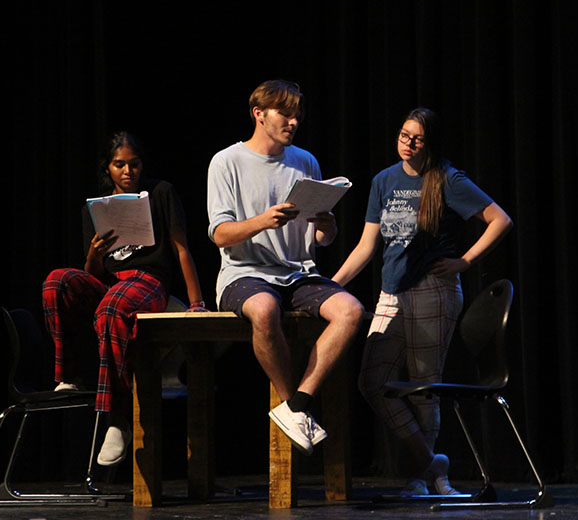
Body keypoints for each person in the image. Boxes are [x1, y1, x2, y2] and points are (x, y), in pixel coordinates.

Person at [331, 108, 513, 496]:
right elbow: (367, 246)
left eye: (416, 138)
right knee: (372, 382)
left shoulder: (447, 179)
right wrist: (331, 286)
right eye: (403, 135)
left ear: (430, 143)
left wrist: (465, 260)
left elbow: (500, 219)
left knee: (424, 386)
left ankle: (424, 479)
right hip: (391, 292)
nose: (407, 143)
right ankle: (432, 465)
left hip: (434, 290)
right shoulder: (384, 180)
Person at [206, 79, 364, 456]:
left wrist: (328, 228)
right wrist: (263, 221)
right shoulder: (227, 161)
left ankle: (297, 407)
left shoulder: (305, 161)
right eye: (285, 113)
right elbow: (221, 234)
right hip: (244, 273)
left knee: (351, 310)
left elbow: (318, 240)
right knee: (264, 308)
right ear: (259, 114)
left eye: (297, 116)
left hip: (296, 271)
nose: (293, 122)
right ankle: (290, 399)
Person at [42, 131, 207, 467]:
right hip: (110, 282)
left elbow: (180, 248)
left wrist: (196, 303)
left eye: (134, 164)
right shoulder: (97, 207)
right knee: (56, 282)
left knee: (113, 306)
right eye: (120, 165)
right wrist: (93, 252)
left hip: (149, 281)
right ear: (109, 168)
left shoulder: (160, 193)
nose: (128, 171)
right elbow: (92, 272)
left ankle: (118, 419)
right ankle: (69, 375)